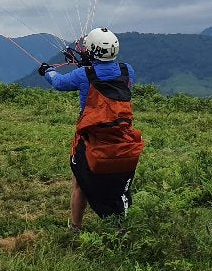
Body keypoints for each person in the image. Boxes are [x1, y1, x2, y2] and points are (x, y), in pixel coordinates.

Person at [38, 27, 144, 232]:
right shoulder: (127, 70)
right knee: (115, 181)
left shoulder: (83, 74)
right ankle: (117, 225)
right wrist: (90, 65)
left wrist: (47, 71)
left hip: (91, 137)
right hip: (120, 136)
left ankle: (75, 228)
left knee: (80, 182)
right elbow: (110, 79)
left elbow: (59, 83)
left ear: (92, 49)